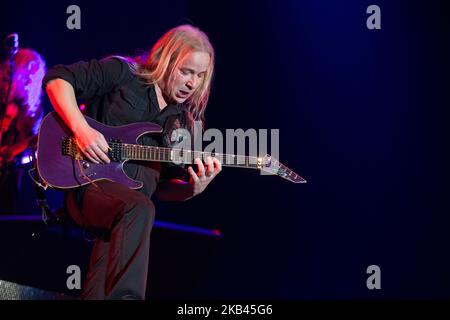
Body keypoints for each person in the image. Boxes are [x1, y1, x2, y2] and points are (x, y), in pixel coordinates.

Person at [43, 24, 222, 300]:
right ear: (166, 60)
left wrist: (191, 190)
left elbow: (161, 188)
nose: (192, 83)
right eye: (186, 72)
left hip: (125, 215)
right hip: (84, 184)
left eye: (200, 76)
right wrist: (82, 130)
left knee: (99, 289)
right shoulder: (123, 74)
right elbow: (57, 80)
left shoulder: (184, 124)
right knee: (140, 209)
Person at [0, 46, 46, 214]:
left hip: (11, 171)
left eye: (34, 75)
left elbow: (33, 140)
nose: (30, 80)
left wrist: (12, 151)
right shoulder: (3, 97)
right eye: (26, 74)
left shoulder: (34, 108)